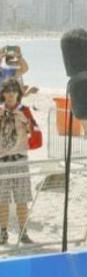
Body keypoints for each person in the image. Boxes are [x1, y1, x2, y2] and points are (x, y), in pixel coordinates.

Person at [0, 78, 34, 244]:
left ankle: (23, 232)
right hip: (3, 161)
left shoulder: (25, 110)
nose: (11, 94)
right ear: (3, 93)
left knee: (22, 199)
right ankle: (2, 233)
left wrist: (26, 122)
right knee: (2, 199)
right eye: (8, 90)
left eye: (14, 90)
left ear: (18, 94)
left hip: (20, 159)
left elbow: (34, 136)